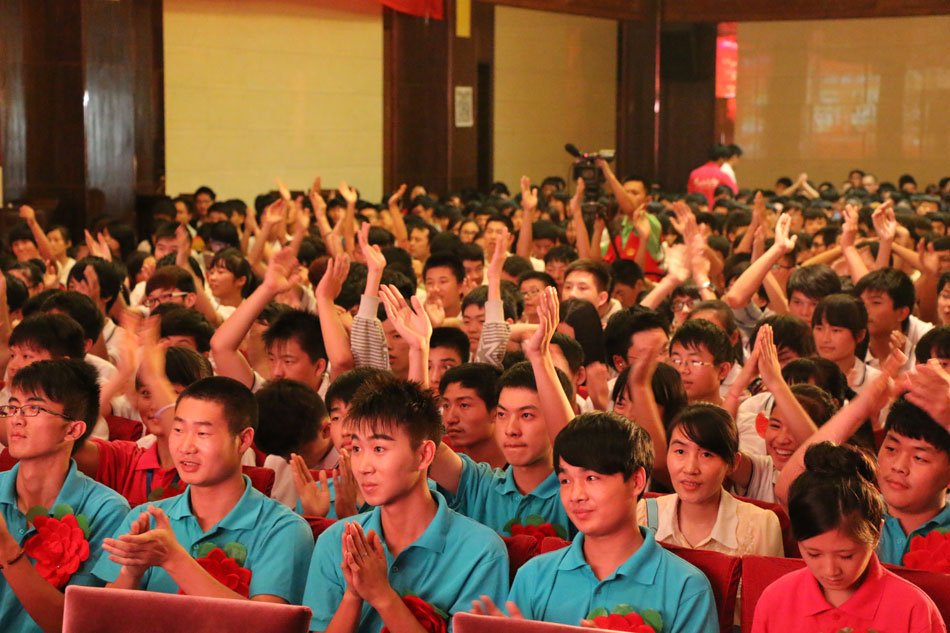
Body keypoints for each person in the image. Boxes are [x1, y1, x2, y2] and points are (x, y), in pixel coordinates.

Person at [473, 411, 717, 633]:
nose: (576, 495)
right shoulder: (534, 575)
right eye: (566, 481)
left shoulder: (685, 587)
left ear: (636, 481)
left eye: (591, 478)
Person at [303, 374, 509, 633]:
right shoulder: (335, 541)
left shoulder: (482, 551)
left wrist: (382, 595)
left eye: (379, 449)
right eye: (356, 449)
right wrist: (353, 594)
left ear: (424, 455)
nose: (364, 467)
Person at [93, 376, 314, 603]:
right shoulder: (146, 518)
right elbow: (104, 615)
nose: (186, 447)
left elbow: (269, 620)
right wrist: (131, 572)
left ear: (243, 440)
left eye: (202, 433)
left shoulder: (283, 529)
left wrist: (173, 559)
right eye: (178, 429)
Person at [752, 442, 944, 632]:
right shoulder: (777, 600)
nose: (831, 570)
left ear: (877, 532)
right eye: (813, 554)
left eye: (846, 556)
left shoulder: (913, 609)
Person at [0, 359, 130, 633]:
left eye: (33, 408)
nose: (17, 419)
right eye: (12, 407)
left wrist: (7, 549)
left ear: (73, 429)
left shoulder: (106, 510)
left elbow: (77, 623)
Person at [638, 403, 783, 558]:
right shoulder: (643, 514)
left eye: (706, 455)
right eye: (680, 451)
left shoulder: (760, 525)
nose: (690, 468)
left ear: (733, 463)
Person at [812, 294, 881, 395]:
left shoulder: (876, 382)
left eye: (836, 330)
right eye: (819, 329)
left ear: (860, 335)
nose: (825, 339)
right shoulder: (801, 377)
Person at [439, 364, 505, 469]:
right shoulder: (441, 465)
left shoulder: (522, 471)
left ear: (497, 411)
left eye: (464, 405)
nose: (450, 419)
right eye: (446, 406)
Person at [668, 319, 733, 406]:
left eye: (694, 362)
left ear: (722, 370)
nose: (682, 370)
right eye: (676, 360)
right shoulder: (659, 412)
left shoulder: (736, 413)